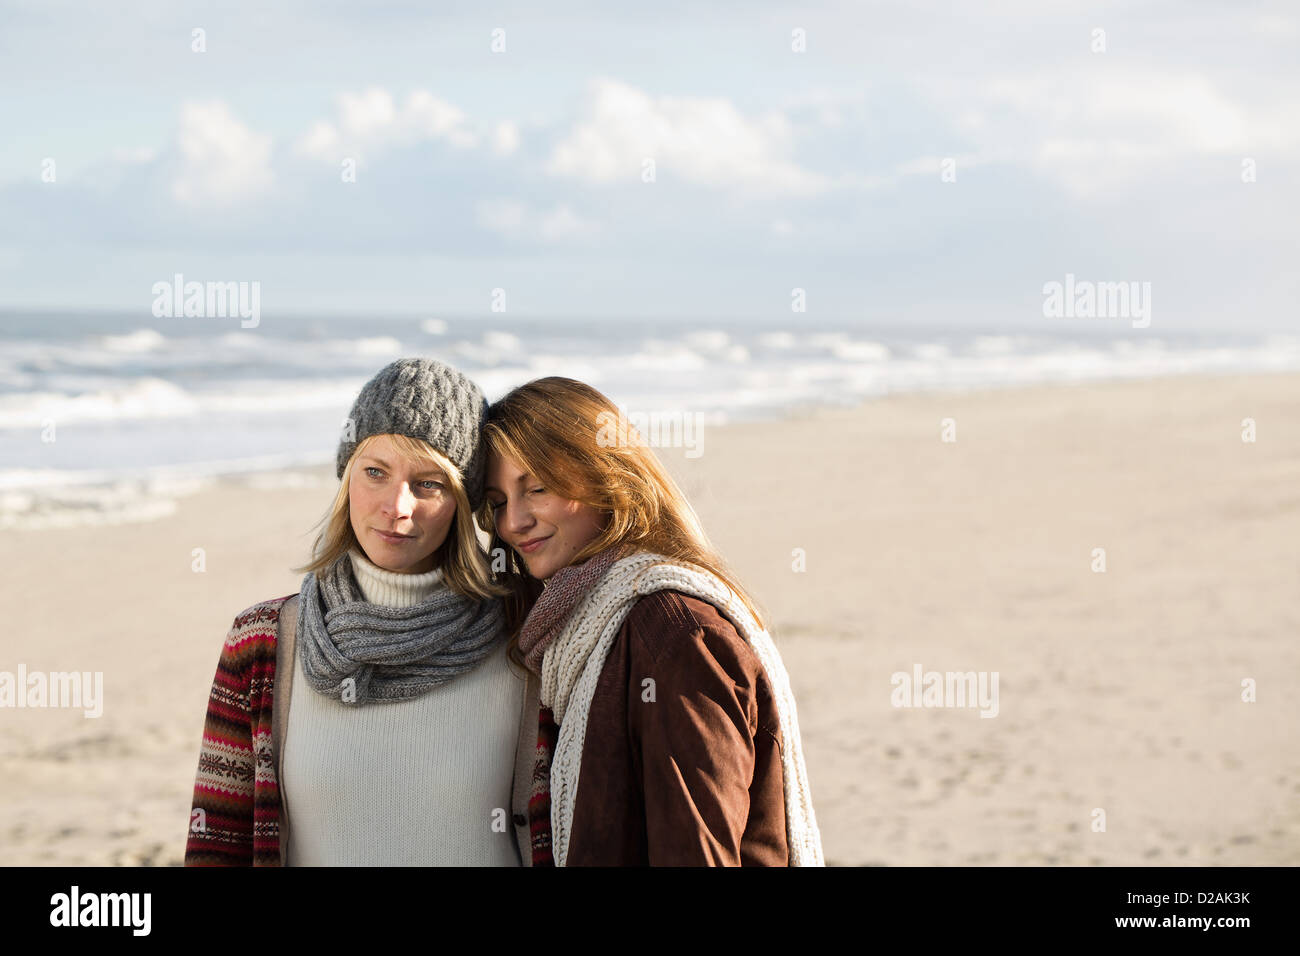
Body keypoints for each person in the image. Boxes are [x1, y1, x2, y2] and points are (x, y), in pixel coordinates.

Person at [185, 358, 525, 865]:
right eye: (375, 472)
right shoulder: (261, 643)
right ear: (347, 479)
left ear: (463, 499)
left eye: (429, 483)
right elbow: (217, 845)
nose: (397, 506)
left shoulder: (524, 636)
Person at [480, 377, 823, 866]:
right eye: (497, 503)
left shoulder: (676, 637)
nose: (513, 522)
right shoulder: (569, 627)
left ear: (605, 477)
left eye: (538, 487)